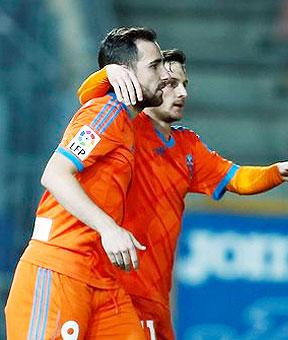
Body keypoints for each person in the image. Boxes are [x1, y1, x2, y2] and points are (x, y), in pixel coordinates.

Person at [77, 48, 288, 339]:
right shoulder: (125, 125)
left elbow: (237, 178)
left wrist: (276, 172)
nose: (182, 93)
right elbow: (89, 98)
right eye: (171, 84)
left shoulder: (188, 147)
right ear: (149, 84)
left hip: (157, 298)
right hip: (118, 292)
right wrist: (108, 74)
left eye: (185, 85)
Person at [4, 27, 169, 339]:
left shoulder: (128, 125)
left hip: (102, 279)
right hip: (59, 271)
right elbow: (54, 173)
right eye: (155, 65)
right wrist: (109, 228)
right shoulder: (106, 112)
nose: (164, 73)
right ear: (126, 75)